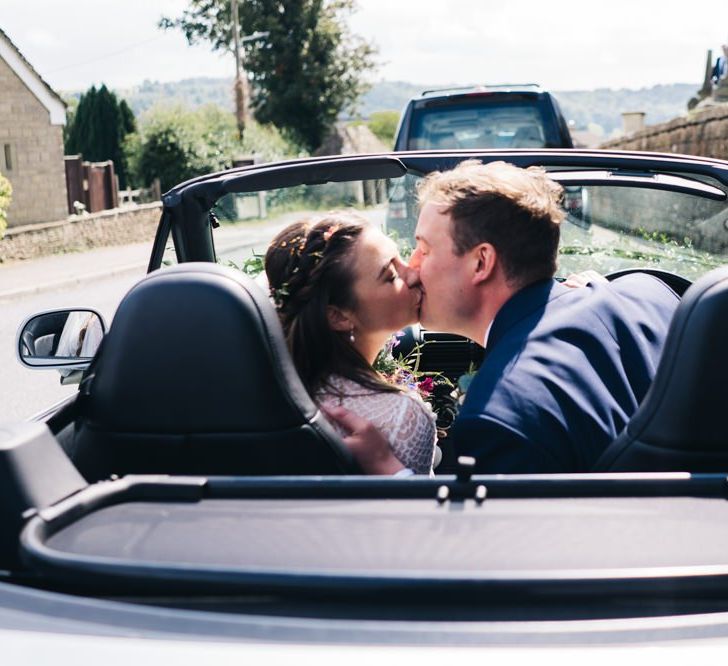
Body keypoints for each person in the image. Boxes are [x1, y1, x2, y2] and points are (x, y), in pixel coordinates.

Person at [325, 160, 680, 475]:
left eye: (424, 249)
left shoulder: (497, 419)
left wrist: (393, 476)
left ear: (481, 262)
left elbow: (498, 547)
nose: (412, 268)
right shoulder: (649, 293)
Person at [264, 211, 437, 474]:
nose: (413, 274)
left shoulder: (266, 399)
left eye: (401, 257)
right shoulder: (401, 417)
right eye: (391, 275)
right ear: (339, 316)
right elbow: (424, 514)